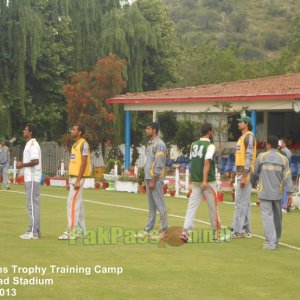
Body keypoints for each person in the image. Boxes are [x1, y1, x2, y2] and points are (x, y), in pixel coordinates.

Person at [180, 123, 221, 242]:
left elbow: (192, 164)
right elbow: (207, 162)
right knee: (213, 208)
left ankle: (186, 232)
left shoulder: (193, 145)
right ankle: (216, 234)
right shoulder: (210, 146)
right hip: (208, 182)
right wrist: (204, 180)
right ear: (209, 132)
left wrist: (191, 184)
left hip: (196, 181)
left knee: (191, 207)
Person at [253, 135, 294, 250]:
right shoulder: (283, 159)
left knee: (267, 218)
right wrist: (290, 193)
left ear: (269, 145)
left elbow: (254, 171)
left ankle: (270, 243)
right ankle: (276, 240)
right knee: (277, 218)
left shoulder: (261, 157)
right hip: (277, 193)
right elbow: (287, 177)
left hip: (264, 192)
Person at [58, 124, 91, 240]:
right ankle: (81, 231)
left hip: (78, 178)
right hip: (73, 177)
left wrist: (78, 180)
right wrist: (69, 179)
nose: (72, 131)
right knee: (79, 204)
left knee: (72, 203)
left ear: (80, 132)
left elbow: (84, 162)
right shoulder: (75, 145)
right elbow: (73, 163)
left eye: (74, 129)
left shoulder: (84, 144)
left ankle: (71, 230)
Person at [136, 122, 168, 239]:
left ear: (154, 130)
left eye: (148, 128)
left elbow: (159, 164)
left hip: (156, 179)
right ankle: (148, 229)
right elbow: (149, 162)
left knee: (160, 205)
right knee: (151, 206)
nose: (146, 130)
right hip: (149, 178)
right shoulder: (151, 143)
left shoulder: (160, 144)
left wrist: (154, 179)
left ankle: (164, 230)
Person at [230, 116, 257, 238]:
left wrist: (244, 176)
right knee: (244, 203)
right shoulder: (242, 138)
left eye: (240, 122)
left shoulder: (249, 137)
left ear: (246, 124)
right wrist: (234, 174)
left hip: (246, 173)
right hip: (241, 172)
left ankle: (237, 230)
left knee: (240, 202)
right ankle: (246, 229)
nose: (238, 124)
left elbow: (249, 157)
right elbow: (239, 158)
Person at [16, 124, 42, 239]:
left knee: (31, 205)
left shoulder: (32, 144)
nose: (23, 131)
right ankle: (36, 230)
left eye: (25, 130)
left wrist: (22, 165)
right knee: (33, 204)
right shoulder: (29, 144)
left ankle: (32, 232)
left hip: (32, 178)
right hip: (30, 179)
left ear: (30, 132)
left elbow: (35, 161)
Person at [278, 138, 292, 212]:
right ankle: (282, 205)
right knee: (281, 189)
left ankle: (285, 206)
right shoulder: (280, 151)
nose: (279, 144)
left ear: (284, 144)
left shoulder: (287, 152)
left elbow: (286, 162)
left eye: (281, 142)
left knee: (285, 188)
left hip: (284, 172)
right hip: (280, 172)